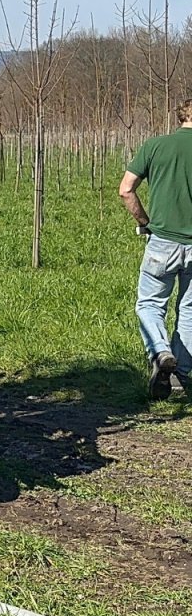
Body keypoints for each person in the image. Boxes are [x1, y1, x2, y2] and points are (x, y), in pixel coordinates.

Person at [119, 98, 192, 399]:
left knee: (149, 304)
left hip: (162, 241)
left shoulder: (155, 146)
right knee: (189, 310)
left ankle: (160, 352)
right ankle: (181, 376)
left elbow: (126, 189)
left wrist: (144, 221)